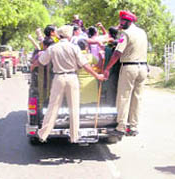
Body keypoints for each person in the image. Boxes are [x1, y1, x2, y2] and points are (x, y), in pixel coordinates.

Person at [37, 25, 104, 143]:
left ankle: (43, 134)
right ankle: (74, 136)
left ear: (59, 35)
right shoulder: (74, 48)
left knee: (53, 107)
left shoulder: (53, 48)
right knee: (74, 107)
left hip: (58, 77)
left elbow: (42, 61)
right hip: (72, 77)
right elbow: (85, 65)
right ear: (69, 35)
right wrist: (97, 75)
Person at [104, 10, 148, 138]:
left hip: (129, 68)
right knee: (137, 98)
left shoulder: (126, 33)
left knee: (124, 97)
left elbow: (117, 53)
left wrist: (107, 68)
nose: (120, 23)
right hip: (143, 67)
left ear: (128, 21)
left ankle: (121, 126)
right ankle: (133, 126)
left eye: (122, 21)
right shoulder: (142, 32)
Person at [77, 39, 98, 105]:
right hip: (91, 80)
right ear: (86, 47)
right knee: (91, 102)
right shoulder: (91, 56)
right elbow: (98, 65)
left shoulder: (75, 56)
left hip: (79, 80)